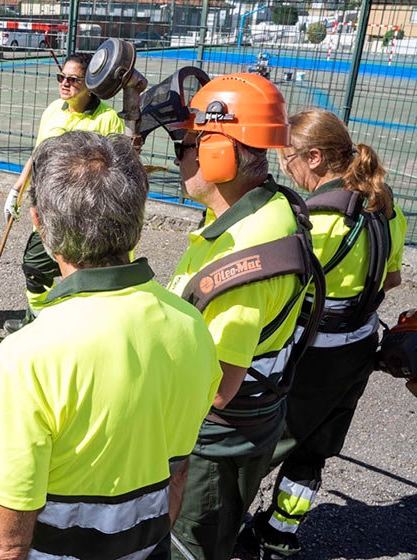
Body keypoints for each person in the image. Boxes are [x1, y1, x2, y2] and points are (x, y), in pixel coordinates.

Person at [0, 131, 222, 560]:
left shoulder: (29, 356)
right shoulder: (191, 326)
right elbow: (177, 472)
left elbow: (5, 542)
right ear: (137, 217)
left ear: (40, 224)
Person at [241, 110, 407, 559]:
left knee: (257, 445)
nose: (286, 167)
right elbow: (390, 282)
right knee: (313, 453)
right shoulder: (387, 207)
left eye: (290, 158)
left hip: (310, 357)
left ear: (314, 158)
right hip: (360, 349)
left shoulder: (314, 221)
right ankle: (279, 534)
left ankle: (226, 526)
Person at [165, 73, 319, 560]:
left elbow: (216, 389)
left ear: (219, 153)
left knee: (188, 547)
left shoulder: (246, 256)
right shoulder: (266, 207)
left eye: (187, 143)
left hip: (212, 448)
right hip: (247, 427)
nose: (180, 156)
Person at [1, 52, 125, 334]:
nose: (64, 84)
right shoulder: (53, 111)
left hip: (87, 214)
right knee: (34, 265)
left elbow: (114, 170)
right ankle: (37, 322)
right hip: (48, 209)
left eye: (73, 79)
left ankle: (84, 330)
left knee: (86, 272)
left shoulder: (108, 119)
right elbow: (37, 155)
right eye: (61, 77)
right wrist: (16, 189)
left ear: (90, 83)